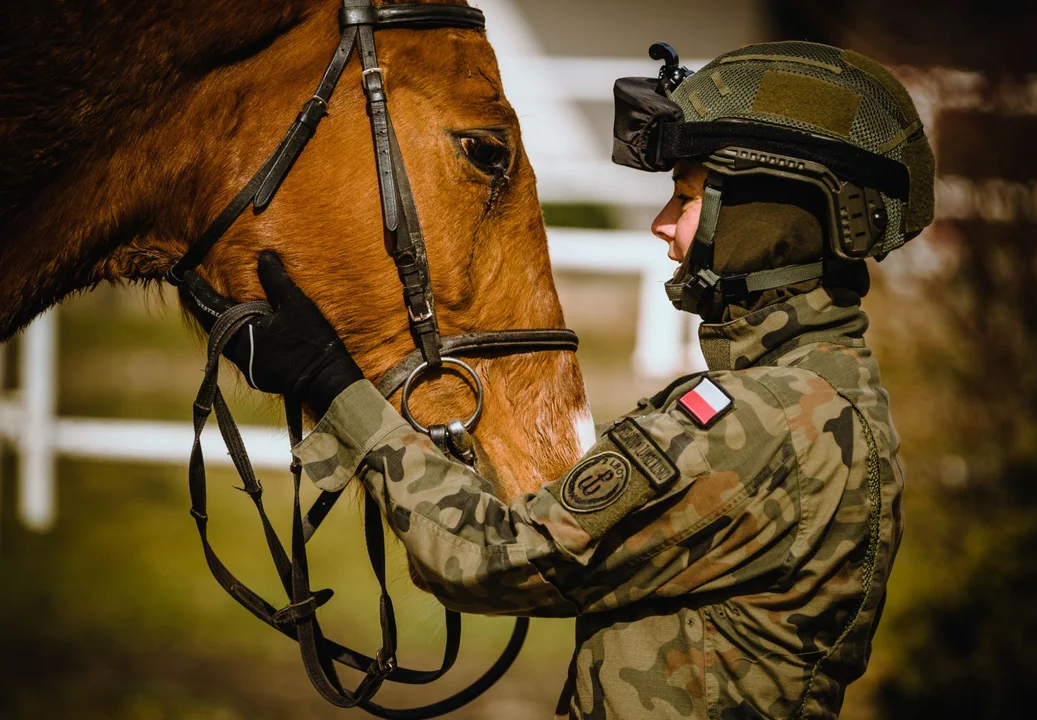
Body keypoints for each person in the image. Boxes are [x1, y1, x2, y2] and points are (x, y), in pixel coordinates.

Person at [189, 41, 935, 720]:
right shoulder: (838, 405)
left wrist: (337, 384)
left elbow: (488, 559)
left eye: (686, 198)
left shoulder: (757, 422)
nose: (664, 227)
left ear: (770, 216)